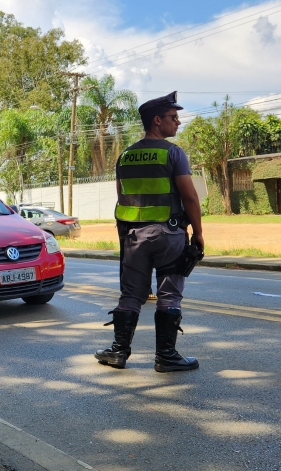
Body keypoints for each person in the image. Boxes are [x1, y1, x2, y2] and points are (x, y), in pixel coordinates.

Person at [95, 91, 204, 373]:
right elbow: (190, 198)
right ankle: (166, 357)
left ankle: (118, 352)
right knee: (169, 295)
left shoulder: (126, 156)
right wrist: (199, 234)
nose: (177, 122)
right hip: (169, 236)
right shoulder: (173, 153)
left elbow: (122, 198)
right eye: (173, 117)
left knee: (131, 295)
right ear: (157, 121)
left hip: (134, 238)